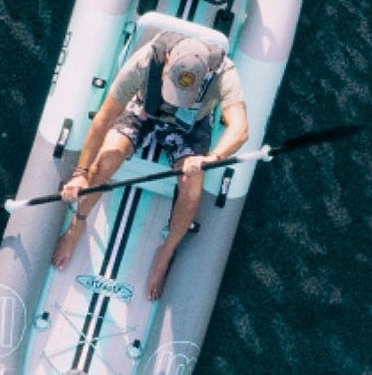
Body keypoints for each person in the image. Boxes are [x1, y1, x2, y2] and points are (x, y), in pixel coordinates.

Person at [50, 22, 248, 296]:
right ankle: (78, 223)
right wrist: (81, 172)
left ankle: (165, 252)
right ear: (167, 60)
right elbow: (104, 119)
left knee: (191, 190)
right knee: (104, 162)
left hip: (190, 125)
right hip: (144, 111)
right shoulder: (145, 60)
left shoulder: (224, 71)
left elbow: (240, 129)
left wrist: (211, 158)